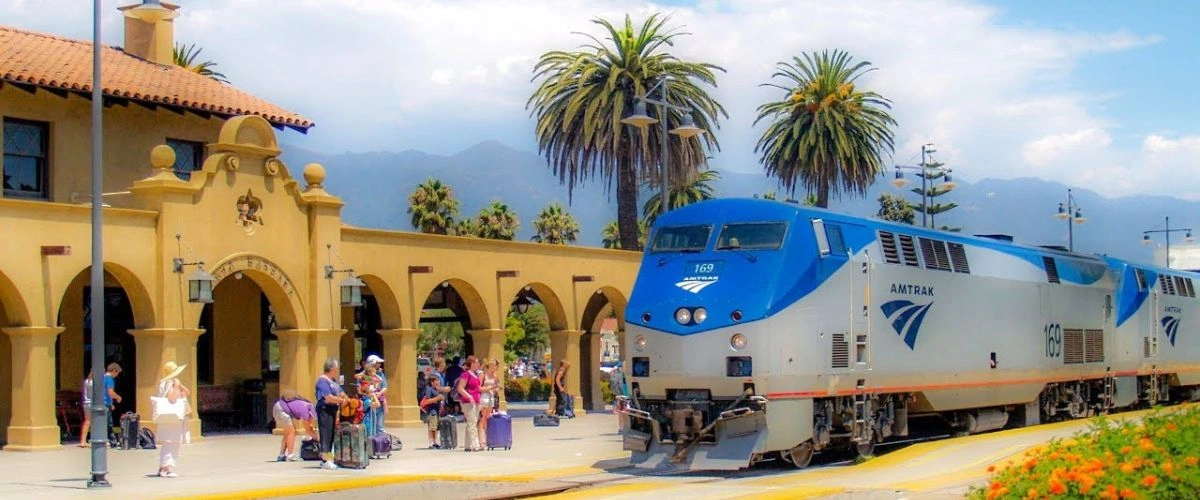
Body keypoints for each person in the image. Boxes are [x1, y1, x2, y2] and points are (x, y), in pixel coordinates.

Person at [156, 361, 190, 478]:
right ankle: (165, 468)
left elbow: (186, 393)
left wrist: (179, 385)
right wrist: (176, 386)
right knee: (170, 444)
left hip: (175, 419)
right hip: (172, 418)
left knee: (174, 443)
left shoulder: (171, 383)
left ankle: (167, 467)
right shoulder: (168, 384)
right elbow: (171, 398)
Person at [315, 358, 349, 470]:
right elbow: (328, 397)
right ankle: (325, 460)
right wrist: (341, 401)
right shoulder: (322, 381)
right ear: (332, 369)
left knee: (330, 436)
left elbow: (341, 392)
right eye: (337, 367)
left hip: (333, 411)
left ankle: (329, 458)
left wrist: (344, 397)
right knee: (325, 434)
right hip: (325, 410)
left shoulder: (333, 381)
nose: (338, 369)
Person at [273, 389, 318, 461]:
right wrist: (319, 440)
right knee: (292, 431)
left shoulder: (308, 407)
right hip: (281, 409)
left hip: (279, 407)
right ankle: (291, 455)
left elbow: (310, 427)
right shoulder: (306, 411)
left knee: (287, 432)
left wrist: (314, 435)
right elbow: (308, 429)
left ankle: (281, 455)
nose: (313, 419)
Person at [455, 355, 483, 452]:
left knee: (472, 422)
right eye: (477, 362)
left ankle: (468, 445)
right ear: (472, 363)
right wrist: (469, 396)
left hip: (476, 401)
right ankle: (475, 444)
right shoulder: (466, 374)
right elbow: (460, 388)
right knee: (472, 423)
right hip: (468, 402)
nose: (478, 364)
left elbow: (478, 388)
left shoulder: (475, 375)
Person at [419, 373, 445, 449]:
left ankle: (435, 442)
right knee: (432, 428)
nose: (438, 382)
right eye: (437, 380)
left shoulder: (437, 389)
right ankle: (431, 443)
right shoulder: (428, 389)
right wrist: (437, 398)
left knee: (436, 427)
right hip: (431, 411)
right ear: (432, 382)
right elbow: (427, 400)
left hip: (437, 410)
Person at [364, 354, 388, 435]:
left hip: (379, 401)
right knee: (371, 424)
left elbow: (384, 386)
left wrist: (379, 394)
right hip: (370, 402)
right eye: (378, 362)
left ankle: (379, 444)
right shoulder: (364, 375)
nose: (380, 364)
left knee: (380, 425)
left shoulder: (380, 374)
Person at [478, 359, 499, 439]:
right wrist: (488, 388)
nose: (495, 367)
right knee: (483, 417)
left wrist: (496, 388)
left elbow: (496, 385)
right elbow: (478, 387)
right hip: (484, 396)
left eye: (496, 365)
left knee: (488, 417)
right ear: (490, 366)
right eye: (494, 365)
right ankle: (481, 437)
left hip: (491, 396)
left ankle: (488, 437)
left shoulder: (495, 375)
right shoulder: (483, 375)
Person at [103, 363, 123, 445]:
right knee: (109, 424)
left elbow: (103, 393)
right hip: (105, 404)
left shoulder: (102, 378)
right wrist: (118, 397)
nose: (117, 375)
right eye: (117, 373)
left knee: (104, 423)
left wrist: (111, 403)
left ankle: (110, 440)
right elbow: (110, 392)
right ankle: (112, 441)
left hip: (103, 403)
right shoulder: (109, 379)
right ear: (114, 371)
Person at [78, 371, 93, 448]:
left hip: (86, 402)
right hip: (93, 403)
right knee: (98, 421)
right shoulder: (94, 382)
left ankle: (83, 441)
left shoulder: (87, 381)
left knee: (87, 421)